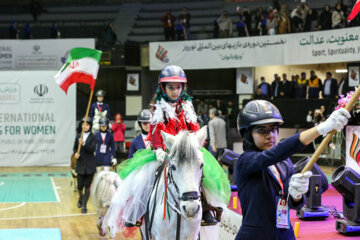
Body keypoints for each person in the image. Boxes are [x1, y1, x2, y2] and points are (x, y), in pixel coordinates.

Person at [103, 65, 230, 234]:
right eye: (171, 87)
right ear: (163, 88)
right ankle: (136, 213)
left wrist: (194, 144)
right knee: (142, 178)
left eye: (178, 87)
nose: (175, 91)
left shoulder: (187, 107)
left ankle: (206, 209)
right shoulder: (158, 107)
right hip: (165, 151)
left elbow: (193, 128)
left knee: (202, 175)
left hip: (185, 151)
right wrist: (157, 149)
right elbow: (155, 131)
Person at [235, 100, 350, 240]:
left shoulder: (284, 162)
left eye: (273, 128)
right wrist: (321, 128)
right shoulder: (245, 161)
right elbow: (273, 154)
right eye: (261, 130)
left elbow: (293, 204)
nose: (270, 135)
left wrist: (297, 194)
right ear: (247, 134)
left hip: (285, 234)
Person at [73, 117, 96, 214]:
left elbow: (91, 149)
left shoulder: (93, 137)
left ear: (90, 126)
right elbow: (74, 148)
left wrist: (83, 144)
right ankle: (80, 198)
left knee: (87, 186)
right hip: (81, 165)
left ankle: (84, 205)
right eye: (83, 124)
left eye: (87, 124)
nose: (85, 126)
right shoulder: (78, 136)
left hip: (90, 165)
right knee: (79, 186)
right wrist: (75, 154)